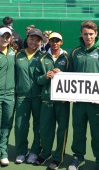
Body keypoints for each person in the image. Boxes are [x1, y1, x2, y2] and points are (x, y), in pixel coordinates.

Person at [68, 20, 99, 170]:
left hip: (96, 103)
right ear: (81, 34)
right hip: (78, 102)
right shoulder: (74, 52)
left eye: (91, 34)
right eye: (85, 34)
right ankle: (77, 157)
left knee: (98, 133)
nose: (88, 37)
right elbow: (69, 76)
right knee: (78, 131)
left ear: (96, 34)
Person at [34, 32, 70, 170]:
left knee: (62, 130)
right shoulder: (42, 58)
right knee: (45, 130)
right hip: (47, 100)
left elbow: (74, 77)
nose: (55, 43)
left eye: (57, 41)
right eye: (52, 40)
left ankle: (57, 157)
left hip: (62, 101)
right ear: (48, 41)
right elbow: (37, 79)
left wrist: (63, 75)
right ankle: (45, 153)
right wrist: (46, 76)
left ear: (61, 42)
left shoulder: (67, 58)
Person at [14, 28, 43, 164]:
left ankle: (35, 151)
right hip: (21, 97)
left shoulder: (43, 57)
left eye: (37, 40)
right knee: (20, 126)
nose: (34, 42)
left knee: (38, 126)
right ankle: (21, 151)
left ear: (40, 42)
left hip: (38, 97)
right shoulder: (17, 55)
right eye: (32, 38)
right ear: (27, 39)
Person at [0, 27, 16, 166]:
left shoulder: (13, 53)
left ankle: (3, 152)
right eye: (2, 36)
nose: (5, 39)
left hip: (10, 95)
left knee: (6, 125)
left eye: (7, 37)